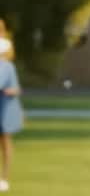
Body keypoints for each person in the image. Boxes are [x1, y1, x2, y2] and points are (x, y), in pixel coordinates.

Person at [0, 37, 22, 193]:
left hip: (6, 110)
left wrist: (11, 91)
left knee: (5, 142)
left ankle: (4, 178)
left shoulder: (6, 66)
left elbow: (14, 88)